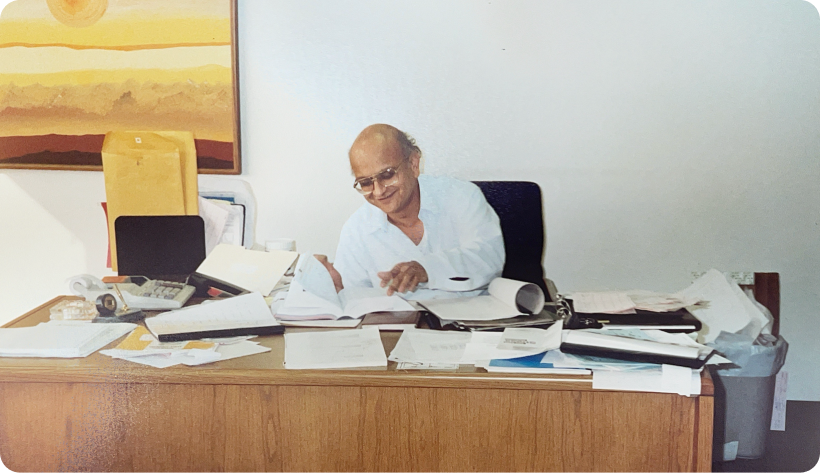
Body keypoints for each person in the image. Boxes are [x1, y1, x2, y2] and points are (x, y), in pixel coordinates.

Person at [321, 124, 505, 300]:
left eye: (387, 175)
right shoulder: (356, 230)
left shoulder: (461, 196)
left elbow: (489, 257)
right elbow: (356, 300)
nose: (378, 191)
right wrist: (336, 292)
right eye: (366, 183)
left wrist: (428, 269)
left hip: (473, 323)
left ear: (414, 164)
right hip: (401, 328)